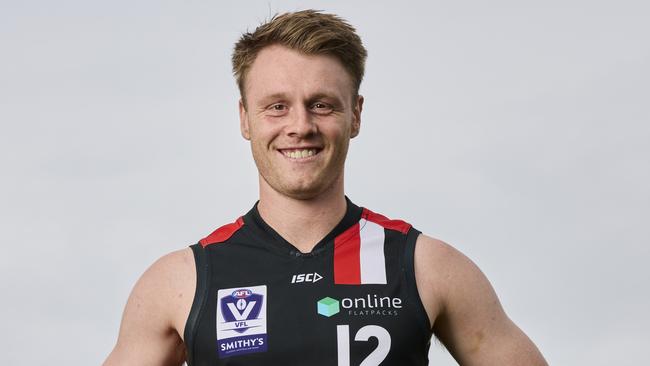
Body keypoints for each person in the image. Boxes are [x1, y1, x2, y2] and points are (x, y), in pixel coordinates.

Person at [104, 10, 547, 366]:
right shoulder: (182, 281)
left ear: (355, 115)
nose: (300, 126)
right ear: (245, 118)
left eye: (322, 105)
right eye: (277, 106)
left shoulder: (427, 266)